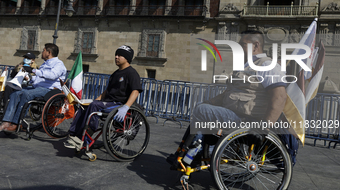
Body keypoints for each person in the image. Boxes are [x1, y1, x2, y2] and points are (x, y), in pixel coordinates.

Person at [167, 30, 299, 168]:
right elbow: (228, 94)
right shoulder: (246, 66)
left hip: (247, 120)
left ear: (255, 45)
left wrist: (263, 128)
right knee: (202, 108)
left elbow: (279, 97)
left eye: (243, 44)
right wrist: (209, 102)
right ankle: (188, 155)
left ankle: (192, 155)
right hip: (235, 114)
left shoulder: (267, 66)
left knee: (202, 110)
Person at [64, 45, 143, 151]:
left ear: (127, 58)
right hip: (108, 102)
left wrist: (126, 107)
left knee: (94, 107)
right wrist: (95, 100)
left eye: (119, 55)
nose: (116, 57)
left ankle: (83, 138)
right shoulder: (116, 73)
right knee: (84, 106)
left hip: (119, 104)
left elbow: (135, 91)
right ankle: (73, 134)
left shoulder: (132, 73)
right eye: (116, 54)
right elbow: (107, 91)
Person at [0, 43, 67, 133]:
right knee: (15, 93)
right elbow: (38, 78)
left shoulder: (59, 64)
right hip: (38, 87)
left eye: (43, 50)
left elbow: (52, 75)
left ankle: (16, 123)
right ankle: (7, 121)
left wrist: (33, 70)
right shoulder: (45, 64)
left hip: (49, 90)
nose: (42, 52)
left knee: (26, 94)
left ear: (49, 52)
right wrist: (29, 78)